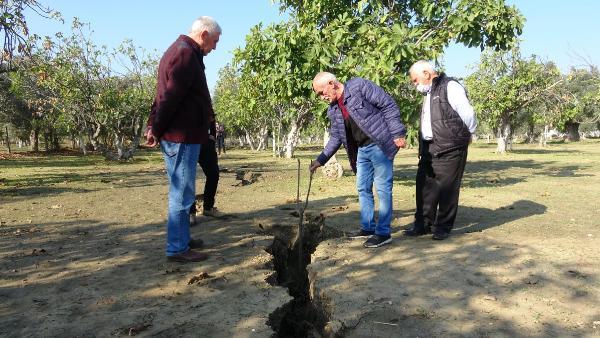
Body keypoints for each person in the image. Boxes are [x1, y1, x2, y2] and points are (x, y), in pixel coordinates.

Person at [145, 16, 221, 262]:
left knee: (184, 191)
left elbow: (161, 95)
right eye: (215, 41)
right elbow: (168, 98)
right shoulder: (185, 54)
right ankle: (177, 249)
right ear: (204, 34)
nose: (215, 47)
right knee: (181, 193)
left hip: (184, 136)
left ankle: (183, 239)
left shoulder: (180, 51)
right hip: (181, 136)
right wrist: (155, 128)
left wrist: (151, 124)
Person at [309, 72, 407, 248]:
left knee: (383, 188)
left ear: (332, 83)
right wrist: (320, 160)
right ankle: (368, 228)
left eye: (321, 92)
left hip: (379, 144)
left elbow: (388, 104)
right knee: (363, 188)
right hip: (361, 150)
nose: (321, 97)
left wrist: (398, 132)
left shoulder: (359, 86)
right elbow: (335, 138)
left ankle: (383, 233)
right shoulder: (333, 110)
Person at [404, 60, 477, 240]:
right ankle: (422, 224)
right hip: (430, 148)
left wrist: (465, 136)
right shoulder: (429, 93)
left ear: (427, 74)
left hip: (451, 147)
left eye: (415, 80)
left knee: (447, 189)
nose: (415, 84)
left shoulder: (450, 86)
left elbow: (468, 114)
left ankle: (443, 227)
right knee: (424, 186)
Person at [189, 121, 222, 226]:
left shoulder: (206, 103)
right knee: (187, 178)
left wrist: (212, 135)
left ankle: (208, 208)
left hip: (206, 142)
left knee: (213, 174)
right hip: (187, 141)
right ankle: (190, 213)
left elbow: (211, 117)